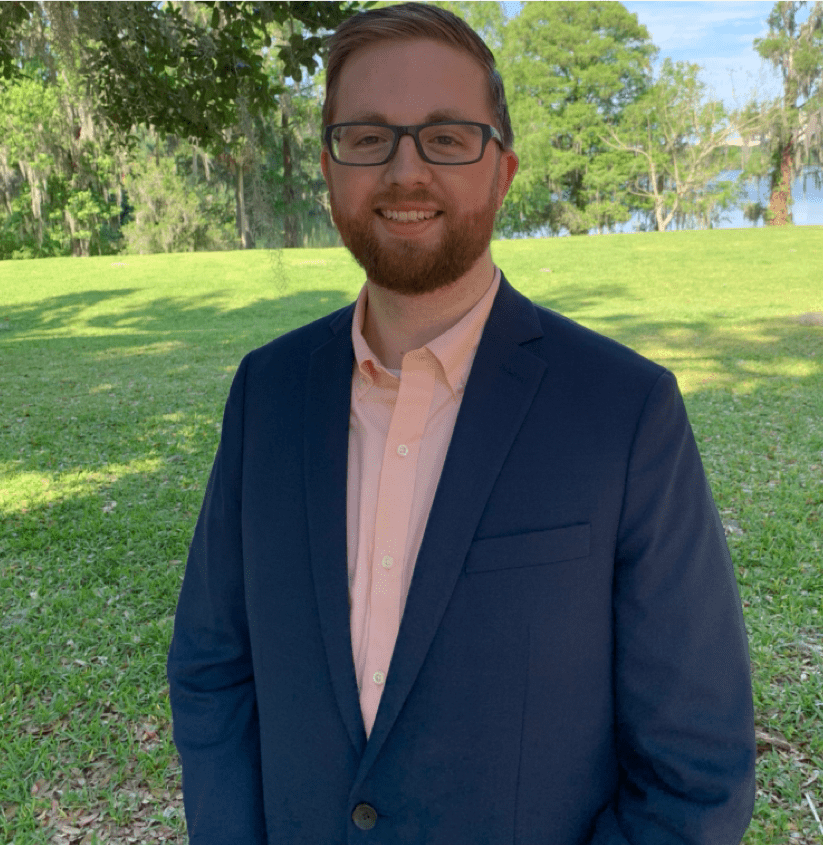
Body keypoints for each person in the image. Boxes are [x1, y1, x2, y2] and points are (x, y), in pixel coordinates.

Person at [166, 4, 756, 843]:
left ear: (502, 172)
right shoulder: (266, 394)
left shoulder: (625, 412)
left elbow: (695, 769)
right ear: (329, 169)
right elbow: (212, 670)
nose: (405, 170)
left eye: (446, 137)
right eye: (367, 136)